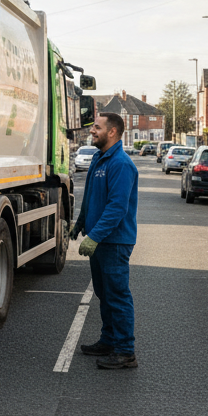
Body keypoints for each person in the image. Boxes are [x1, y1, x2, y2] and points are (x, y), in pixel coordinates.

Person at [71, 112, 140, 370]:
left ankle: (125, 351)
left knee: (117, 295)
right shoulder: (100, 158)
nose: (92, 131)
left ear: (112, 132)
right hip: (100, 240)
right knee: (104, 293)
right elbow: (90, 198)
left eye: (97, 128)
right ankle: (109, 340)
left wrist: (95, 236)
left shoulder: (121, 164)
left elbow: (117, 207)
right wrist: (79, 224)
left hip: (114, 241)